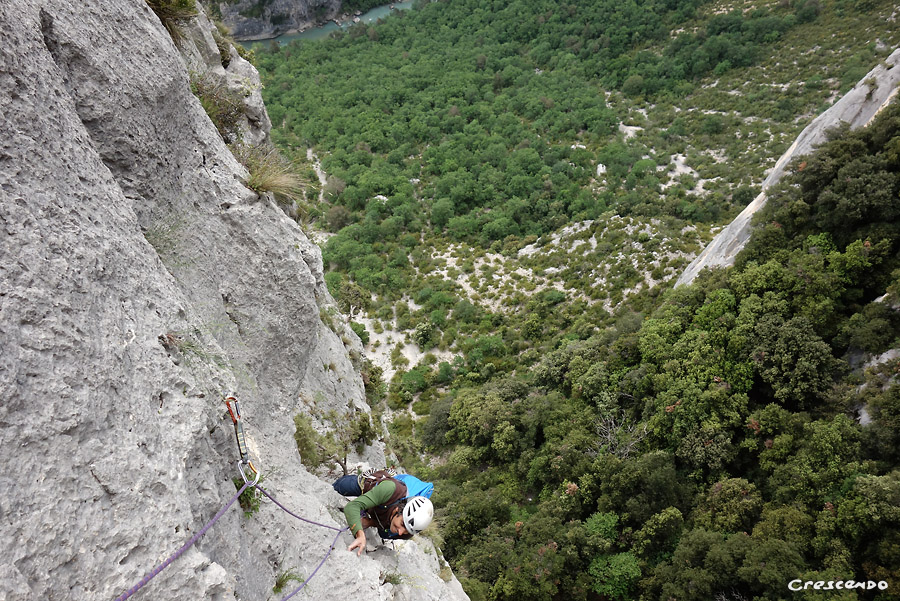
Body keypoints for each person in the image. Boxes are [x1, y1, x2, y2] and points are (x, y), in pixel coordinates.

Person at [333, 469, 434, 556]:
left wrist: (370, 522)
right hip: (370, 487)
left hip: (382, 510)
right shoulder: (389, 490)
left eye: (406, 530)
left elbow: (385, 530)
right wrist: (360, 534)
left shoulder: (408, 531)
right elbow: (352, 507)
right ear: (397, 510)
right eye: (402, 524)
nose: (400, 532)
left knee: (385, 532)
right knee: (340, 486)